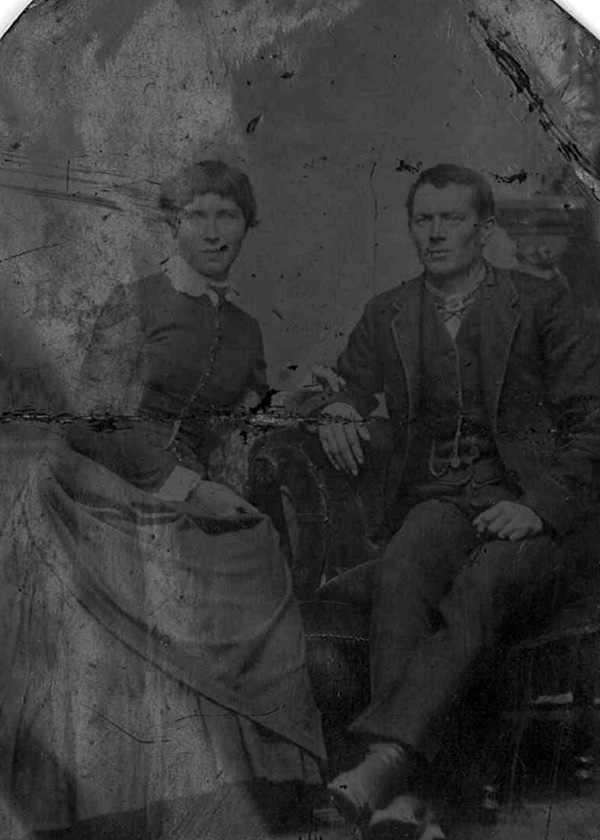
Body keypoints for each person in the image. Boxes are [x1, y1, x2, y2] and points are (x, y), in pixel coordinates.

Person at [0, 160, 325, 839]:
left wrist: (309, 400)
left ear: (247, 226)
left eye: (227, 215)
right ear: (173, 225)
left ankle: (253, 783)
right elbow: (92, 418)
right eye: (196, 215)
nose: (212, 231)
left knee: (258, 544)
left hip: (187, 489)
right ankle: (124, 797)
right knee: (163, 554)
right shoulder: (136, 301)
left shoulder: (246, 328)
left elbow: (244, 415)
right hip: (102, 477)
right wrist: (185, 485)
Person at [315, 164, 600, 839]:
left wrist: (540, 507)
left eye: (453, 219)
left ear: (485, 229)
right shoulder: (388, 312)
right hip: (439, 501)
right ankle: (410, 801)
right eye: (424, 219)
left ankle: (386, 770)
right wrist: (336, 407)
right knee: (403, 567)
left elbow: (593, 419)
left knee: (482, 584)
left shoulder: (539, 303)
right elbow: (342, 383)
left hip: (531, 511)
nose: (436, 233)